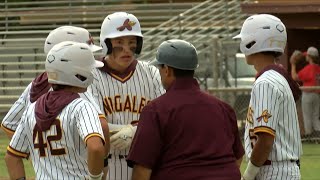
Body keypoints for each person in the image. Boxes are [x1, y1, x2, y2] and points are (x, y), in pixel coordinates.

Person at [1, 25, 110, 179]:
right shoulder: (81, 106)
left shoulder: (31, 109)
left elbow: (11, 158)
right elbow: (96, 147)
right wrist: (97, 177)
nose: (92, 71)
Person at [126, 39, 245, 180]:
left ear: (167, 70)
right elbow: (237, 157)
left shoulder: (155, 110)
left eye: (160, 69)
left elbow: (142, 169)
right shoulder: (223, 108)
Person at [87, 12, 165, 180]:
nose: (127, 50)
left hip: (145, 165)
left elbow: (167, 118)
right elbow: (92, 124)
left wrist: (136, 131)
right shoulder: (92, 76)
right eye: (119, 43)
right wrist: (141, 131)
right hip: (106, 165)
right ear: (106, 44)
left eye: (132, 43)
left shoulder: (151, 73)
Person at [233, 14, 302, 180]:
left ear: (254, 42)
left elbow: (265, 139)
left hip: (273, 171)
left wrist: (247, 176)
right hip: (280, 169)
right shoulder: (276, 76)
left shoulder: (266, 82)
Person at [290, 47, 320, 137]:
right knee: (315, 116)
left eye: (307, 55)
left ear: (310, 57)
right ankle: (317, 134)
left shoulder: (309, 68)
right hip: (317, 95)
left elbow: (295, 77)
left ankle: (309, 135)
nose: (306, 56)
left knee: (307, 116)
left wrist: (293, 64)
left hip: (308, 94)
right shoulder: (318, 68)